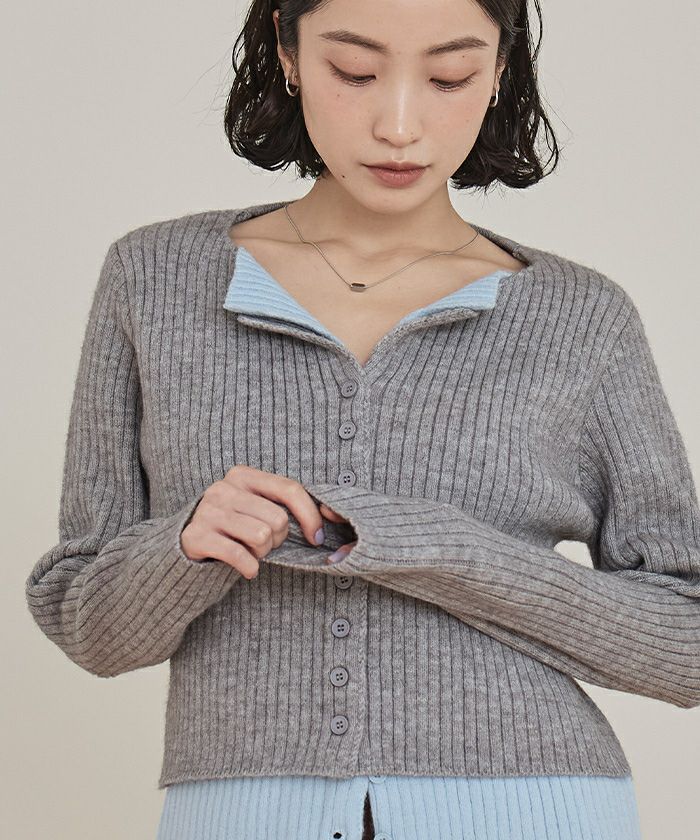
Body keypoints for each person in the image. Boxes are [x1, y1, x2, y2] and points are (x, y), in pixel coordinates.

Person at [26, 1, 700, 839]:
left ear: (499, 71)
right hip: (243, 811)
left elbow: (687, 638)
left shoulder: (582, 317)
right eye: (355, 71)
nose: (399, 125)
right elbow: (88, 626)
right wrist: (186, 547)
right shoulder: (154, 278)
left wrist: (439, 547)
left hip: (529, 809)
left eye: (449, 76)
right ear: (288, 51)